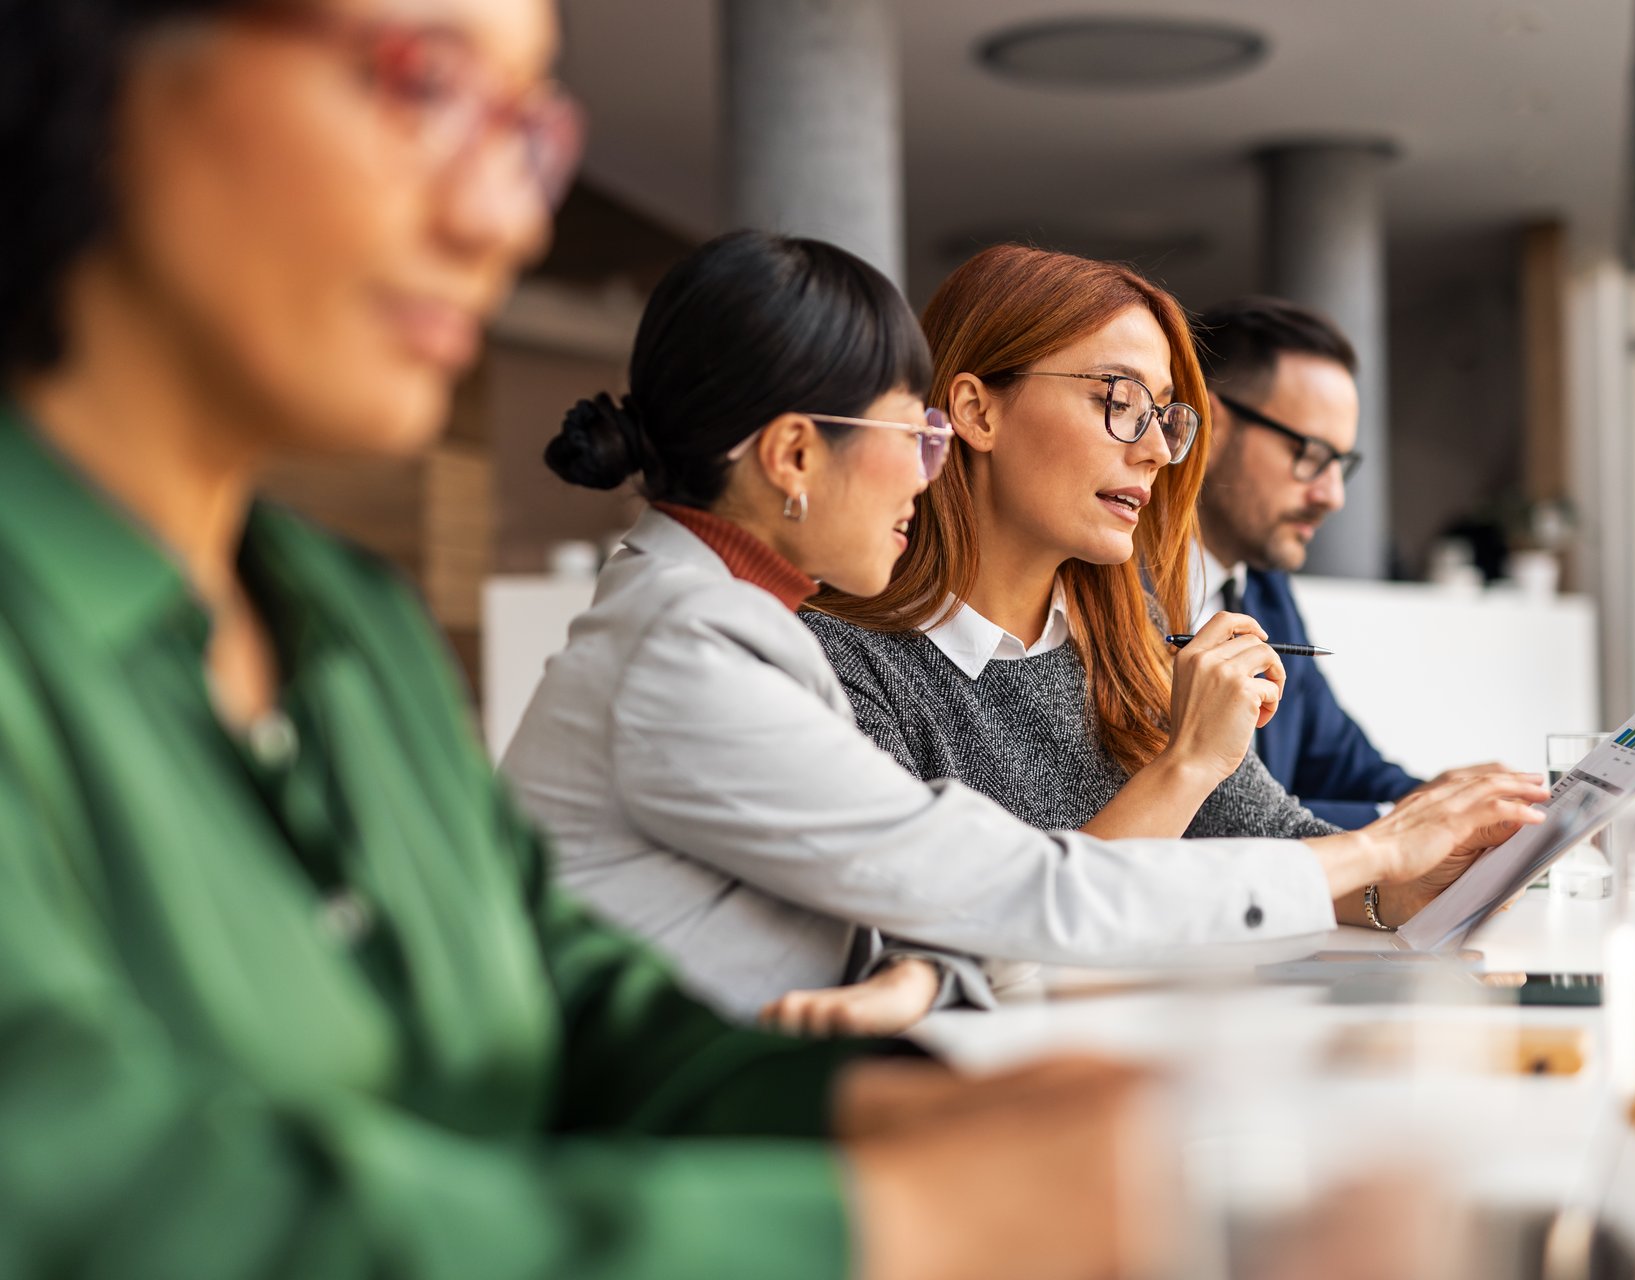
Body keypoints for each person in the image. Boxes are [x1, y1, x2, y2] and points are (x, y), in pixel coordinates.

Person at [0, 2, 1182, 1276]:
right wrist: (888, 1216)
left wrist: (895, 1109)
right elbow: (104, 1202)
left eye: (526, 129)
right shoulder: (683, 638)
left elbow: (571, 1006)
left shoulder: (355, 626)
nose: (506, 216)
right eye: (424, 83)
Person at [501, 231, 1548, 1038]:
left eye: (1164, 416)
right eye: (909, 434)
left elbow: (929, 922)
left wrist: (1399, 876)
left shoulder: (726, 620)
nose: (927, 461)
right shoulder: (705, 650)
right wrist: (1362, 842)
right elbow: (1006, 897)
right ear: (790, 455)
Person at [800, 244, 1536, 1012]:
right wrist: (1187, 766)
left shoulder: (1125, 631)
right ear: (977, 411)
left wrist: (1402, 889)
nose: (1155, 450)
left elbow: (1266, 843)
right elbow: (964, 943)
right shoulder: (840, 663)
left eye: (1162, 415)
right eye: (1117, 400)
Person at [1192, 298, 1503, 828]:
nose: (1333, 495)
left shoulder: (1266, 591)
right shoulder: (1114, 592)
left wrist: (1459, 804)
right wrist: (1412, 820)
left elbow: (1342, 767)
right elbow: (1202, 821)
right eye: (1311, 455)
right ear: (1215, 426)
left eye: (1341, 464)